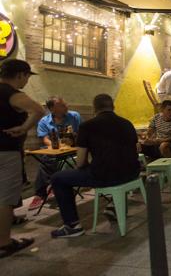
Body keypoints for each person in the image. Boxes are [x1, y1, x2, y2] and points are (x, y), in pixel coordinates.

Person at [50, 94, 140, 238]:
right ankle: (115, 207)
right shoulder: (127, 123)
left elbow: (80, 162)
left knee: (58, 178)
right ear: (113, 107)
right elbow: (135, 149)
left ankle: (72, 226)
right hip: (132, 172)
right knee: (111, 165)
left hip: (106, 176)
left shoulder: (87, 126)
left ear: (94, 109)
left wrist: (87, 166)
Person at [0, 60, 44, 256]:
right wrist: (24, 128)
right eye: (27, 77)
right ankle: (4, 242)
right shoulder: (12, 94)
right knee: (5, 198)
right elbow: (38, 110)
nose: (26, 81)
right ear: (20, 75)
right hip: (6, 151)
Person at [29, 97, 82, 211]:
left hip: (73, 150)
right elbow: (45, 139)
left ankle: (48, 190)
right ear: (52, 108)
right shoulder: (44, 121)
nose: (66, 106)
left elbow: (82, 133)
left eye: (65, 103)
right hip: (54, 150)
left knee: (50, 161)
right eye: (62, 105)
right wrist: (55, 145)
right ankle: (47, 191)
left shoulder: (74, 116)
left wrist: (73, 139)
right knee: (46, 159)